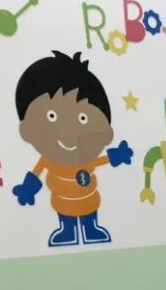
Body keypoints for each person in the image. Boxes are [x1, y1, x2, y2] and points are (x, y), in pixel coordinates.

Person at [12, 51, 133, 247]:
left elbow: (101, 160)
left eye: (83, 118)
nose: (69, 131)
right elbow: (36, 173)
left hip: (89, 199)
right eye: (52, 116)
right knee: (65, 214)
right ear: (26, 129)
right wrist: (28, 189)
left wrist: (117, 155)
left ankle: (90, 228)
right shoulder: (50, 159)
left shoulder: (86, 159)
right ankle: (67, 230)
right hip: (62, 201)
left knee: (89, 212)